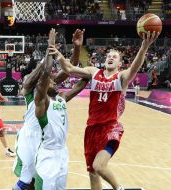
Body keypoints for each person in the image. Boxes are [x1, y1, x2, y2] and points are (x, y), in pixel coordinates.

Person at [49, 31, 159, 190]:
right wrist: (57, 53)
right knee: (92, 172)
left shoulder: (121, 78)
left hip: (110, 128)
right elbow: (69, 68)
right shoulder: (94, 72)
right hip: (92, 129)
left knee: (99, 166)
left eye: (115, 56)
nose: (111, 57)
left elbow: (134, 68)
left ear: (120, 64)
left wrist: (144, 47)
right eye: (109, 55)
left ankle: (119, 188)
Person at [12, 28, 85, 190]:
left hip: (45, 138)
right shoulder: (30, 85)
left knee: (37, 180)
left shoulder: (49, 85)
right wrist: (50, 49)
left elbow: (68, 69)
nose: (52, 77)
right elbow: (45, 70)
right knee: (26, 180)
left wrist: (77, 47)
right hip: (29, 136)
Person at [34, 42, 88, 190]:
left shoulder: (61, 98)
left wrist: (78, 49)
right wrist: (51, 49)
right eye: (51, 81)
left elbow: (80, 84)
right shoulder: (42, 102)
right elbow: (45, 76)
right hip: (48, 154)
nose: (55, 82)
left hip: (63, 152)